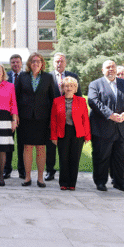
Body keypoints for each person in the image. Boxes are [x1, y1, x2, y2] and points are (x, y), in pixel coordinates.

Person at [88, 60, 124, 192]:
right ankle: (100, 182)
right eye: (108, 67)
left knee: (121, 157)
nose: (111, 69)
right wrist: (110, 115)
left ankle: (120, 182)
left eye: (113, 67)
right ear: (102, 70)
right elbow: (93, 101)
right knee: (101, 156)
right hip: (103, 128)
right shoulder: (95, 84)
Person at [15, 53, 55, 188]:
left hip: (42, 118)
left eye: (38, 61)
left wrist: (52, 119)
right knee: (27, 147)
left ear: (42, 63)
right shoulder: (22, 77)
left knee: (41, 148)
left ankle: (40, 178)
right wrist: (16, 116)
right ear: (29, 64)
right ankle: (27, 177)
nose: (35, 63)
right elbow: (16, 97)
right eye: (33, 61)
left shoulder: (48, 77)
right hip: (25, 118)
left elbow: (53, 99)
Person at [50, 77, 91, 190]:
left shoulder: (81, 101)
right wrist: (53, 136)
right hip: (62, 132)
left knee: (74, 159)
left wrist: (87, 135)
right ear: (62, 88)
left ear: (75, 88)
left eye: (71, 86)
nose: (68, 88)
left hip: (77, 133)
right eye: (66, 86)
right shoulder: (57, 101)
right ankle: (63, 183)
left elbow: (85, 119)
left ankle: (72, 184)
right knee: (63, 159)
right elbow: (53, 120)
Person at [47, 52, 82, 182]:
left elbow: (78, 97)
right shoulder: (48, 76)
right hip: (52, 117)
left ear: (65, 63)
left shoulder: (73, 76)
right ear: (53, 63)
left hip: (69, 119)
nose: (59, 63)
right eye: (57, 61)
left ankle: (66, 174)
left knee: (67, 148)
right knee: (51, 146)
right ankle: (50, 171)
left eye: (61, 61)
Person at [4, 53, 24, 180]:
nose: (15, 64)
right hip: (7, 115)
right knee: (8, 143)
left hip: (23, 115)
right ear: (10, 64)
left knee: (22, 144)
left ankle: (22, 170)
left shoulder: (26, 76)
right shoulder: (5, 76)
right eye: (13, 62)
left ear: (21, 63)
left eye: (17, 62)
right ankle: (7, 169)